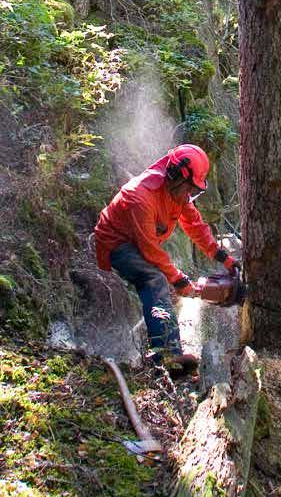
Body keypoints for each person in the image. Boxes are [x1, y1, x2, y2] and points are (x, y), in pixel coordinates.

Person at [94, 144, 239, 374]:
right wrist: (179, 280)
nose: (190, 194)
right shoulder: (140, 196)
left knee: (163, 285)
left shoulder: (179, 193)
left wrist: (222, 257)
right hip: (116, 244)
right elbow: (150, 250)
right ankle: (168, 357)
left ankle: (145, 342)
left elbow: (195, 225)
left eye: (194, 189)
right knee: (155, 279)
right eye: (189, 188)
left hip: (139, 242)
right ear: (175, 176)